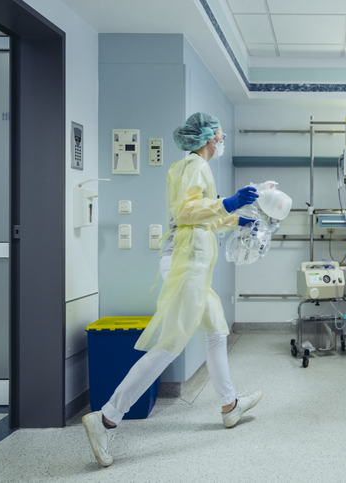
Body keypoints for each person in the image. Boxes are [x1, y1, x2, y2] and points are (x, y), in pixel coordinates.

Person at [83, 113, 262, 468]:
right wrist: (228, 203)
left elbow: (200, 218)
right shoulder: (195, 165)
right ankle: (106, 418)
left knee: (215, 332)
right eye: (220, 134)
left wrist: (235, 219)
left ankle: (229, 405)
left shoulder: (192, 167)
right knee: (170, 345)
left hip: (192, 266)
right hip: (185, 266)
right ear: (208, 137)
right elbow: (186, 212)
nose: (222, 140)